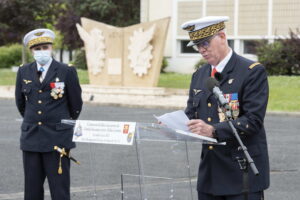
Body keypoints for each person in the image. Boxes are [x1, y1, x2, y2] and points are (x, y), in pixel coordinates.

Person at [182, 16, 270, 200]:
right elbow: (190, 114)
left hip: (240, 174)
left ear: (222, 36)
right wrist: (171, 125)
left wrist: (213, 130)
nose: (202, 50)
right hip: (210, 175)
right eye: (197, 45)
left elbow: (252, 121)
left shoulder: (251, 72)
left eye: (205, 43)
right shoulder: (200, 75)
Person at [15, 28, 83, 200]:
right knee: (32, 190)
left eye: (45, 47)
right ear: (31, 51)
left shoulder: (66, 71)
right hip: (31, 138)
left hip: (57, 139)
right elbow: (21, 103)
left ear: (51, 48)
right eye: (37, 49)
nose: (41, 51)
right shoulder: (24, 71)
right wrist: (35, 120)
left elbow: (76, 104)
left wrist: (63, 125)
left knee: (59, 189)